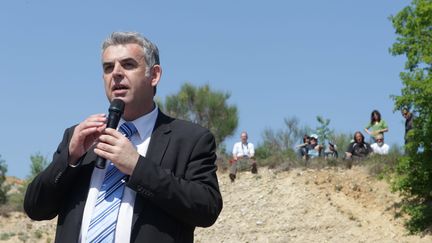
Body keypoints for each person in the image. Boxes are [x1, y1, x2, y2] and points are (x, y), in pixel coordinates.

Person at [24, 32, 222, 243]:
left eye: (128, 65)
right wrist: (69, 158)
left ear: (154, 75)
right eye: (108, 68)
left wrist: (137, 167)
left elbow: (207, 208)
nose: (116, 73)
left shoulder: (190, 139)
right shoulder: (80, 137)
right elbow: (36, 208)